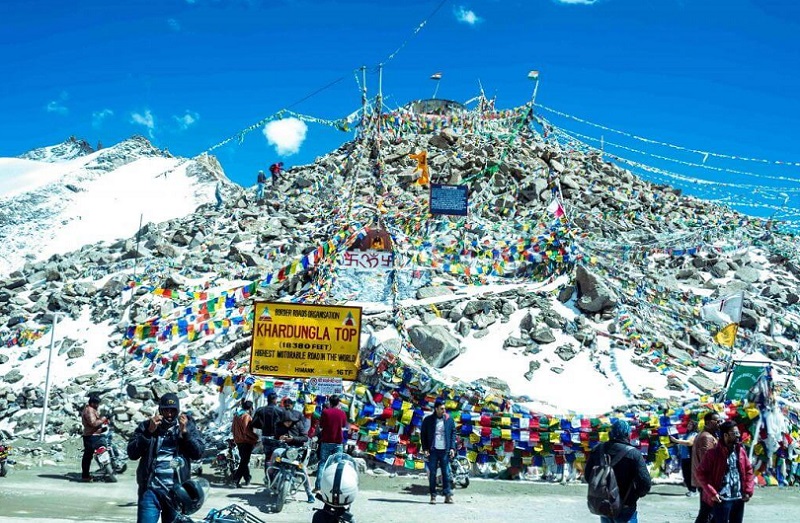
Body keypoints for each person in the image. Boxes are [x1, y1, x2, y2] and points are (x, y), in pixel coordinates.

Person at [127, 393, 205, 523]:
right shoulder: (147, 426)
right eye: (166, 410)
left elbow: (198, 453)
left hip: (177, 493)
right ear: (160, 410)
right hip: (150, 490)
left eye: (173, 411)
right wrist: (148, 433)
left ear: (178, 411)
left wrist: (185, 433)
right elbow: (132, 453)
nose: (169, 414)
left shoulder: (187, 426)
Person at [585, 419, 651, 523]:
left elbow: (588, 476)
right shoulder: (634, 454)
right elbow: (645, 483)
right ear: (627, 434)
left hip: (604, 503)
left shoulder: (598, 450)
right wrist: (634, 496)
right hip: (626, 504)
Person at [696, 421, 755, 523]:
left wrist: (748, 491)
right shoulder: (713, 454)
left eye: (738, 433)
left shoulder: (741, 451)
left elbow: (748, 470)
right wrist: (712, 493)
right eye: (734, 433)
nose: (738, 436)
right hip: (722, 499)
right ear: (726, 435)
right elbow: (701, 474)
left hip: (738, 498)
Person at [274, 399, 315, 503]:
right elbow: (275, 437)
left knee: (303, 470)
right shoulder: (279, 426)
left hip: (296, 451)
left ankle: (309, 493)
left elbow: (305, 438)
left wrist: (293, 439)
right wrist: (280, 438)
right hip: (283, 449)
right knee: (275, 456)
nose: (287, 423)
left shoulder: (299, 425)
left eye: (289, 421)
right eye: (285, 421)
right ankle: (270, 476)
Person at [420, 398, 457, 504]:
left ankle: (447, 495)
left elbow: (453, 433)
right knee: (433, 474)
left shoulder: (449, 420)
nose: (443, 411)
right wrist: (425, 449)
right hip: (433, 451)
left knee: (446, 473)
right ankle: (433, 496)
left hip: (445, 451)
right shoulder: (428, 420)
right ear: (436, 409)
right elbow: (423, 435)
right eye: (441, 409)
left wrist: (452, 448)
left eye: (444, 408)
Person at [692, 411, 721, 523]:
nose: (719, 423)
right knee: (707, 513)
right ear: (709, 422)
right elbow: (707, 462)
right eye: (717, 421)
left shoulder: (708, 435)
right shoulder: (707, 438)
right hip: (708, 482)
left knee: (709, 513)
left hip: (706, 481)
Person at [315, 395, 348, 492]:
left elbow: (321, 426)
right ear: (338, 403)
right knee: (337, 465)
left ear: (330, 402)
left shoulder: (325, 412)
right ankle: (335, 487)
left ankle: (318, 487)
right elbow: (343, 425)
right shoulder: (342, 413)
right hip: (338, 442)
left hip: (326, 441)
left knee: (322, 463)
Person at [230, 399, 258, 488]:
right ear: (250, 408)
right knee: (244, 462)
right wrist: (255, 437)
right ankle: (235, 480)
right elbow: (246, 430)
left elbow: (232, 429)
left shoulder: (236, 416)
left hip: (238, 440)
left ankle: (247, 478)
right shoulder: (246, 416)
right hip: (246, 441)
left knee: (244, 460)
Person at [81, 394, 108, 482]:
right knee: (93, 453)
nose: (98, 405)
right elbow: (93, 423)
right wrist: (103, 419)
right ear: (92, 403)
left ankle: (85, 475)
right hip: (91, 436)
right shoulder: (89, 410)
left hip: (91, 435)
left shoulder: (91, 409)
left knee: (87, 456)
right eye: (96, 403)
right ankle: (86, 475)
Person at [670, 419, 699, 496]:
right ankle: (691, 490)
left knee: (690, 474)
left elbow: (690, 442)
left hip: (690, 457)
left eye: (690, 425)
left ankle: (693, 490)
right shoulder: (687, 434)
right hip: (684, 457)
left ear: (694, 426)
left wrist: (677, 441)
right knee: (685, 475)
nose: (689, 426)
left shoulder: (694, 434)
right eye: (688, 424)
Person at [252, 392, 283, 461]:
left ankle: (267, 471)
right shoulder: (280, 410)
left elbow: (254, 423)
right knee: (276, 457)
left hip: (265, 436)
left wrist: (263, 426)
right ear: (274, 400)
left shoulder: (260, 410)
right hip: (276, 437)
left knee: (268, 457)